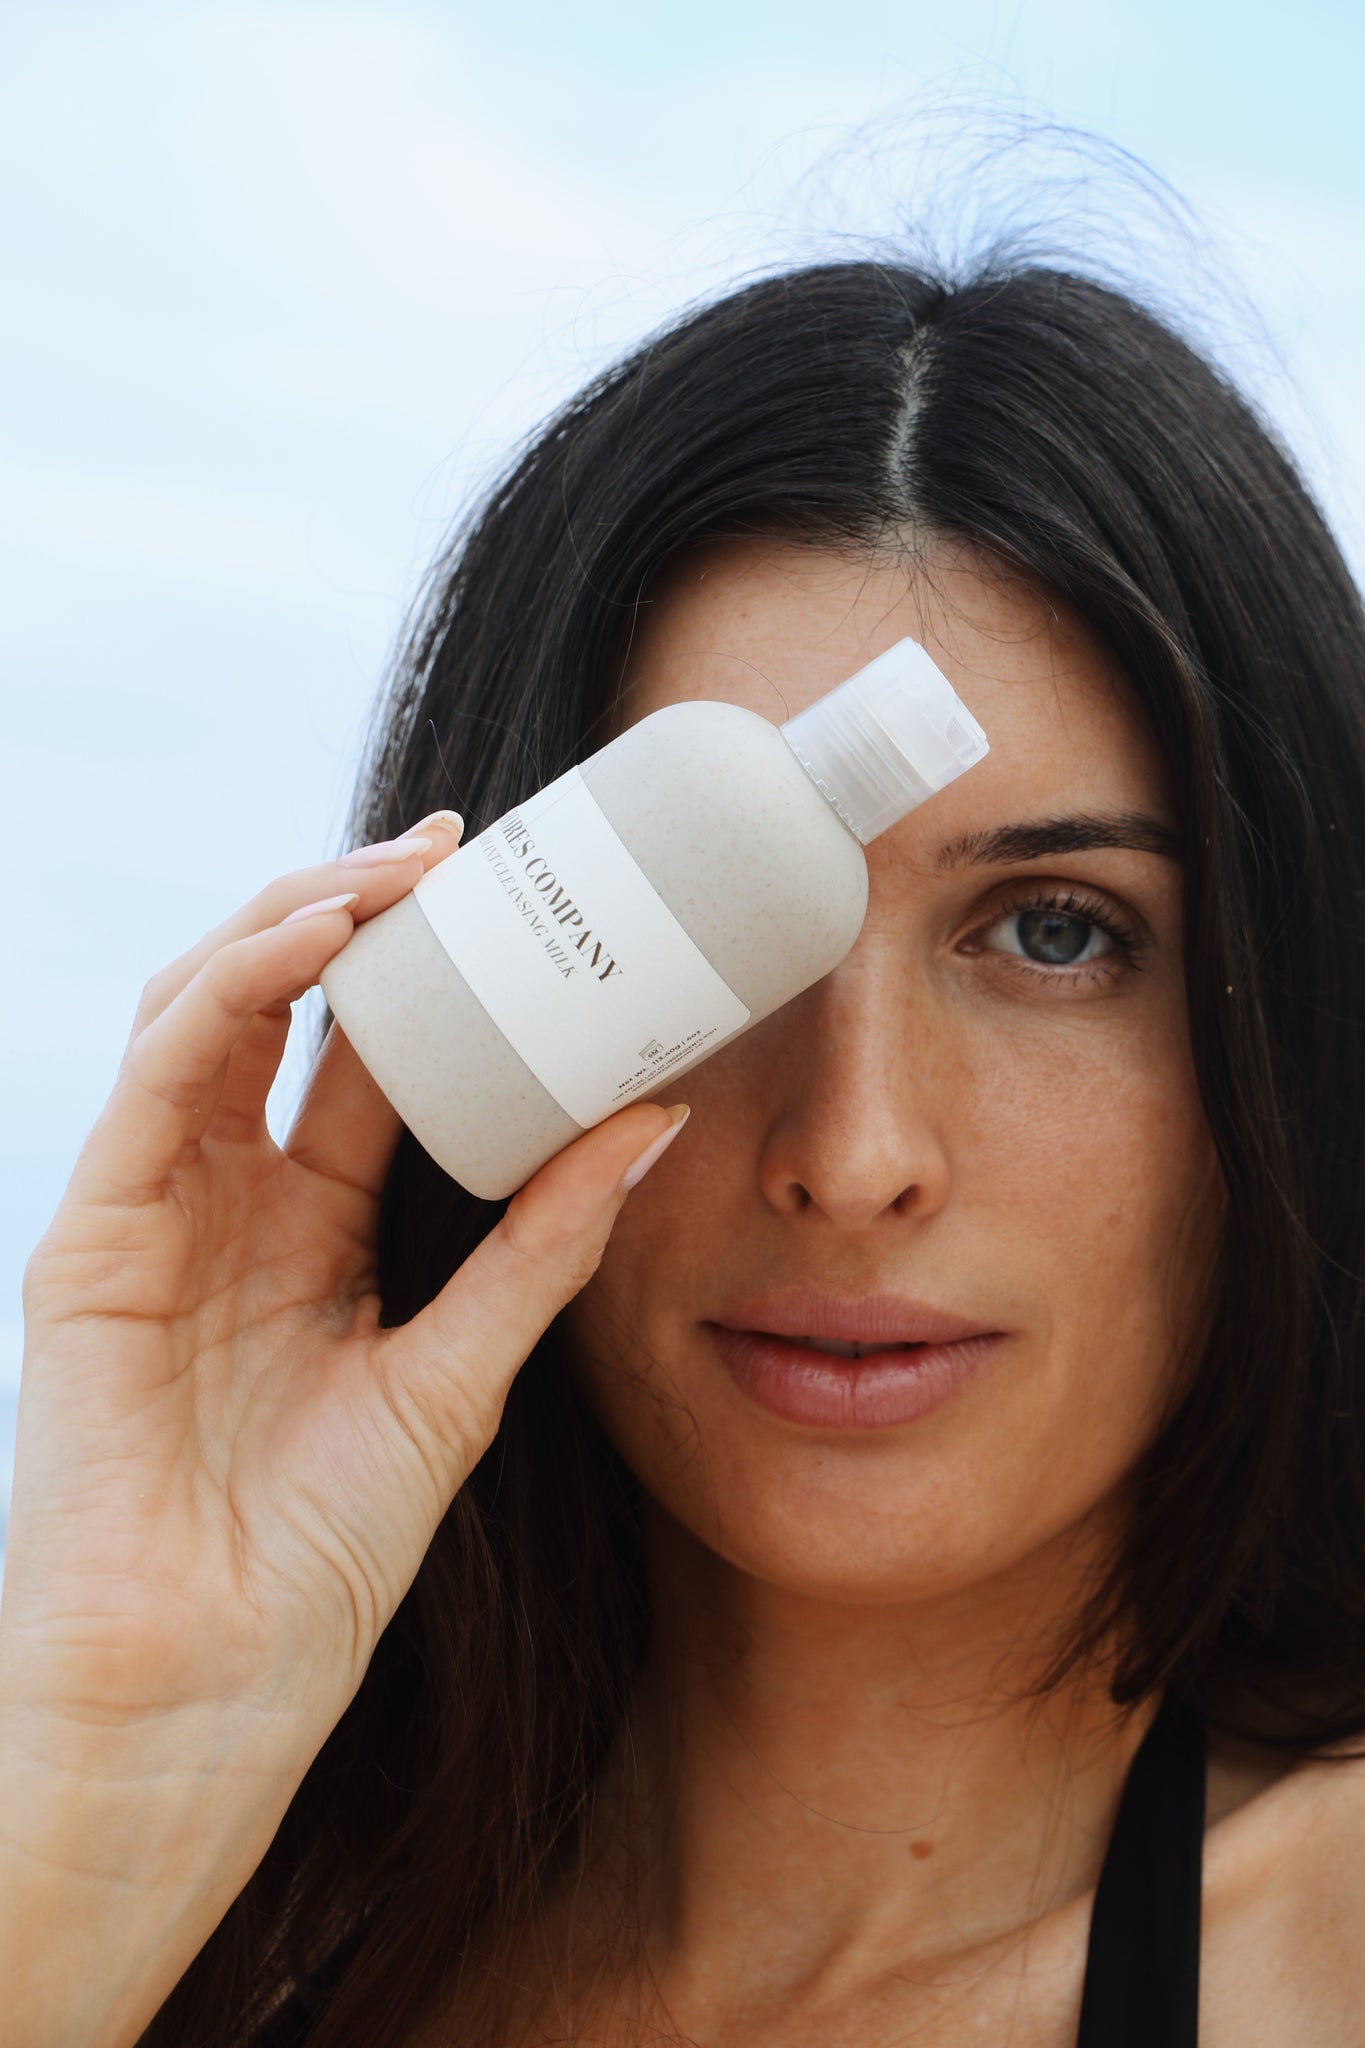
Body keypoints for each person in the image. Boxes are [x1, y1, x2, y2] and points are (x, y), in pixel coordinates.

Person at [5, 250, 1365, 2048]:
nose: (852, 1152)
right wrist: (105, 1769)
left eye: (1056, 932)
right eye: (706, 931)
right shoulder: (199, 1937)